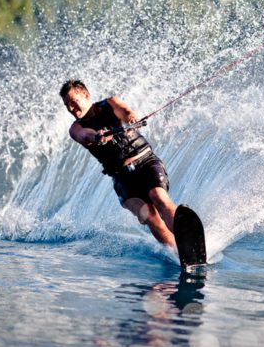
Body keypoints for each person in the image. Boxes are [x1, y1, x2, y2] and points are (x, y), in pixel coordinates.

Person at [60, 79, 177, 248]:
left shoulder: (110, 103)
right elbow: (85, 135)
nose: (71, 108)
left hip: (146, 161)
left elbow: (126, 112)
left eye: (73, 102)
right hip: (122, 178)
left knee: (158, 197)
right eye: (67, 105)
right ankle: (179, 253)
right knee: (149, 216)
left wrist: (131, 119)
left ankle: (186, 239)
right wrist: (98, 136)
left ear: (86, 95)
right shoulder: (75, 128)